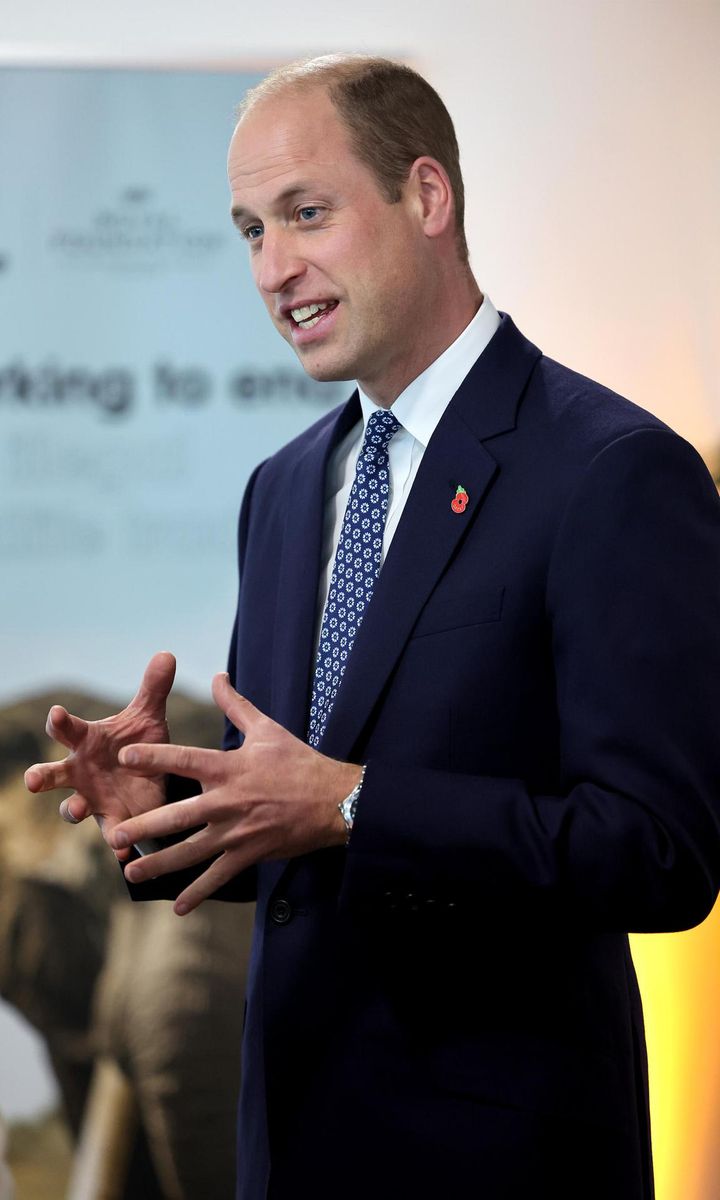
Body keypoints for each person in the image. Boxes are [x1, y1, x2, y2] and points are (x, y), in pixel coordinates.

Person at [25, 55, 720, 1200]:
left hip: (501, 1165)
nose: (273, 267)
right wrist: (174, 814)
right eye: (250, 230)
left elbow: (658, 854)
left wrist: (355, 801)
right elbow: (294, 829)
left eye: (307, 213)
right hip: (290, 1153)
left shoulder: (611, 471)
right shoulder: (285, 490)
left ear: (428, 198)